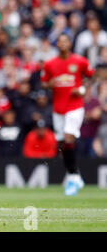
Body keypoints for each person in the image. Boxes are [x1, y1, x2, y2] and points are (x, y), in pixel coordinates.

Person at [41, 33, 95, 196]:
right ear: (57, 45)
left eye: (65, 41)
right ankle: (75, 175)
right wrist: (48, 85)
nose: (62, 44)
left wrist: (83, 90)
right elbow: (44, 84)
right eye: (60, 41)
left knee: (69, 138)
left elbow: (92, 77)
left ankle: (72, 177)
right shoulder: (50, 64)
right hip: (58, 108)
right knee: (64, 143)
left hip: (75, 106)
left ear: (70, 44)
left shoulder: (79, 61)